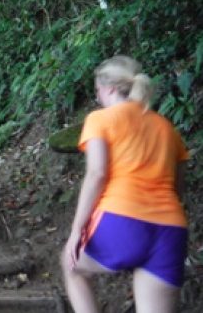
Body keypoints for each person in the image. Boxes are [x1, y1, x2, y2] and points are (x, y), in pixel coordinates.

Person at [62, 56, 189, 313]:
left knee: (71, 267)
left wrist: (76, 231)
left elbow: (97, 173)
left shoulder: (101, 119)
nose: (97, 97)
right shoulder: (166, 127)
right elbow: (178, 186)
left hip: (121, 220)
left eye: (97, 90)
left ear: (107, 88)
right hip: (170, 230)